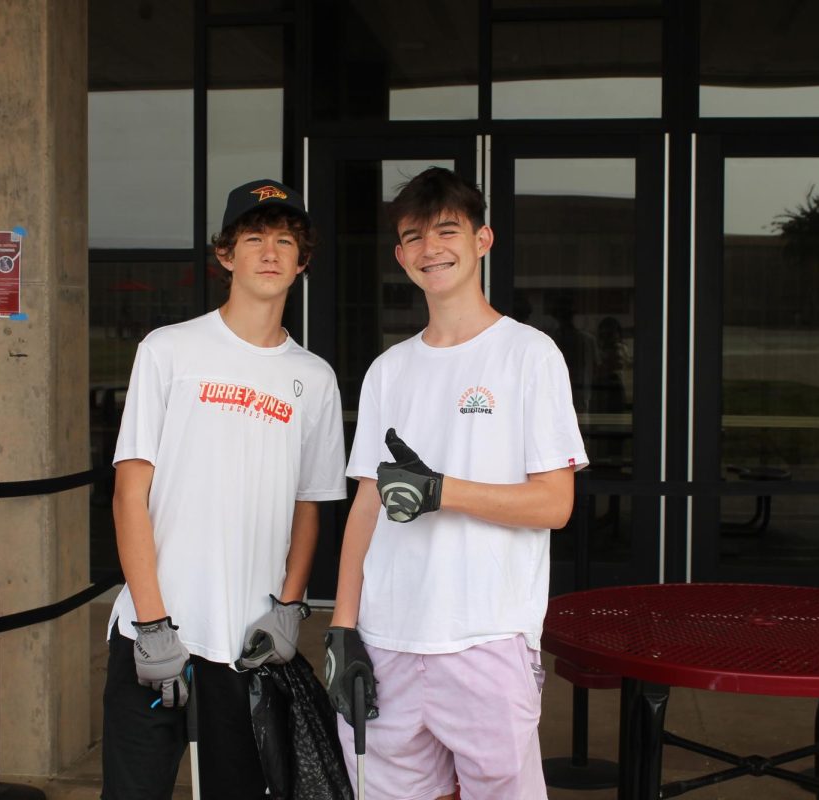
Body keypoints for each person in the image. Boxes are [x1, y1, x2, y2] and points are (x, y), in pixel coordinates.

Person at [324, 167, 587, 800]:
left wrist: (444, 490)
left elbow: (556, 504)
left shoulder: (529, 355)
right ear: (400, 255)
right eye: (413, 237)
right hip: (386, 640)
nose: (430, 249)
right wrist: (341, 627)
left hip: (485, 638)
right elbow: (366, 504)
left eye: (447, 230)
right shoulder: (389, 370)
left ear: (482, 240)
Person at [104, 179, 347, 800]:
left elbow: (308, 509)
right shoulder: (169, 350)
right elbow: (130, 493)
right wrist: (153, 623)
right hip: (154, 635)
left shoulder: (313, 379)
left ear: (303, 261)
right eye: (255, 238)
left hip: (249, 645)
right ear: (226, 255)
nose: (270, 252)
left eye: (285, 241)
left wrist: (288, 609)